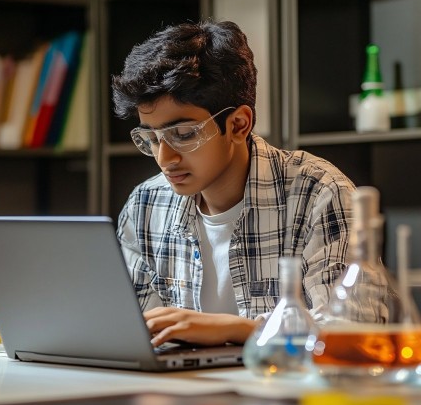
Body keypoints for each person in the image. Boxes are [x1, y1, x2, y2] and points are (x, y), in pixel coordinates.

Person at [111, 20, 379, 349]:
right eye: (150, 138)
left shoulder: (318, 192)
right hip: (180, 394)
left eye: (183, 135)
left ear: (239, 124)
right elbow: (125, 332)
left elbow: (356, 331)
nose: (165, 157)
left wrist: (237, 329)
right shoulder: (147, 204)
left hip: (285, 395)